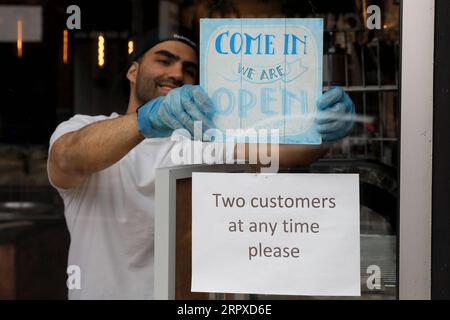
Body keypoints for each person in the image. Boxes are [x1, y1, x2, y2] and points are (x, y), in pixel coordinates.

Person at [47, 30, 355, 299]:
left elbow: (294, 151)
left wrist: (322, 129)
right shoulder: (85, 126)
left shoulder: (209, 140)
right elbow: (68, 157)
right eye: (164, 60)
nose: (178, 74)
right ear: (132, 71)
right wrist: (146, 120)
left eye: (189, 69)